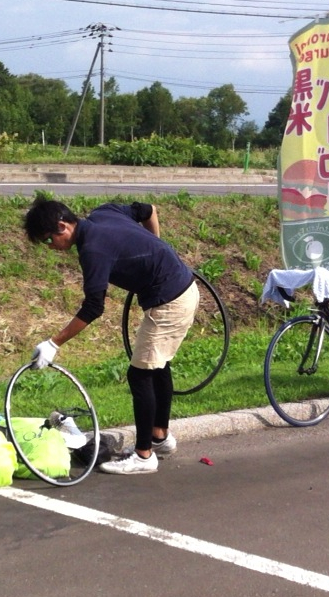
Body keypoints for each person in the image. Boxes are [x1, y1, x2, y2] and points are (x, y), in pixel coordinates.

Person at [22, 197, 199, 475]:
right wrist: (156, 249)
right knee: (157, 366)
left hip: (171, 300)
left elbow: (94, 306)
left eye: (47, 241)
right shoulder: (104, 212)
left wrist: (53, 343)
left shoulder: (92, 249)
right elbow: (149, 209)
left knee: (140, 374)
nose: (51, 248)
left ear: (62, 226)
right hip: (179, 289)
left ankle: (143, 457)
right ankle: (159, 438)